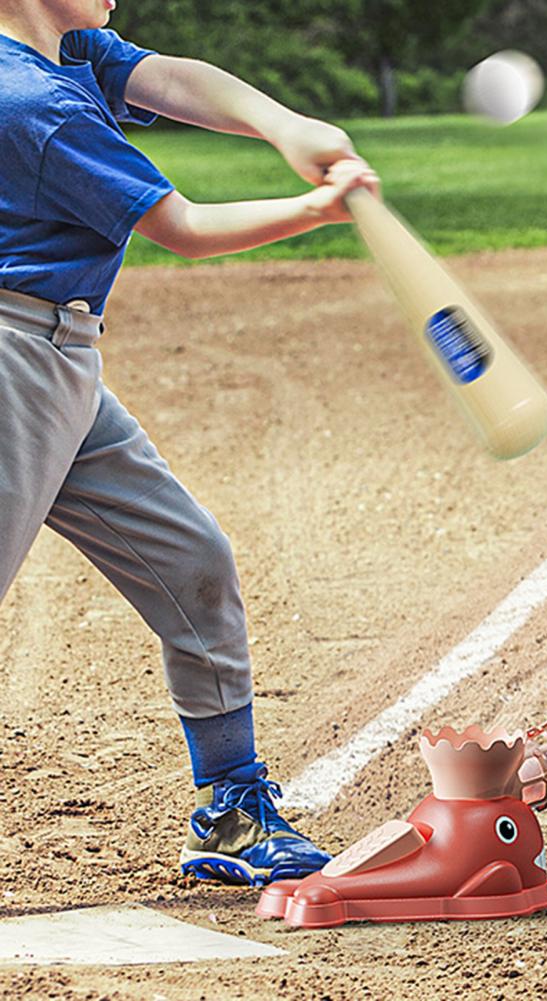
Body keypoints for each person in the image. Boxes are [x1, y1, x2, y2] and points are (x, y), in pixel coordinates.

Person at [0, 0, 380, 886]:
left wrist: (287, 126)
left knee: (190, 560)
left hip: (61, 361)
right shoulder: (31, 103)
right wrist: (321, 209)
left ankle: (231, 809)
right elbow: (184, 229)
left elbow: (170, 77)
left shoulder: (66, 52)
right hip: (14, 360)